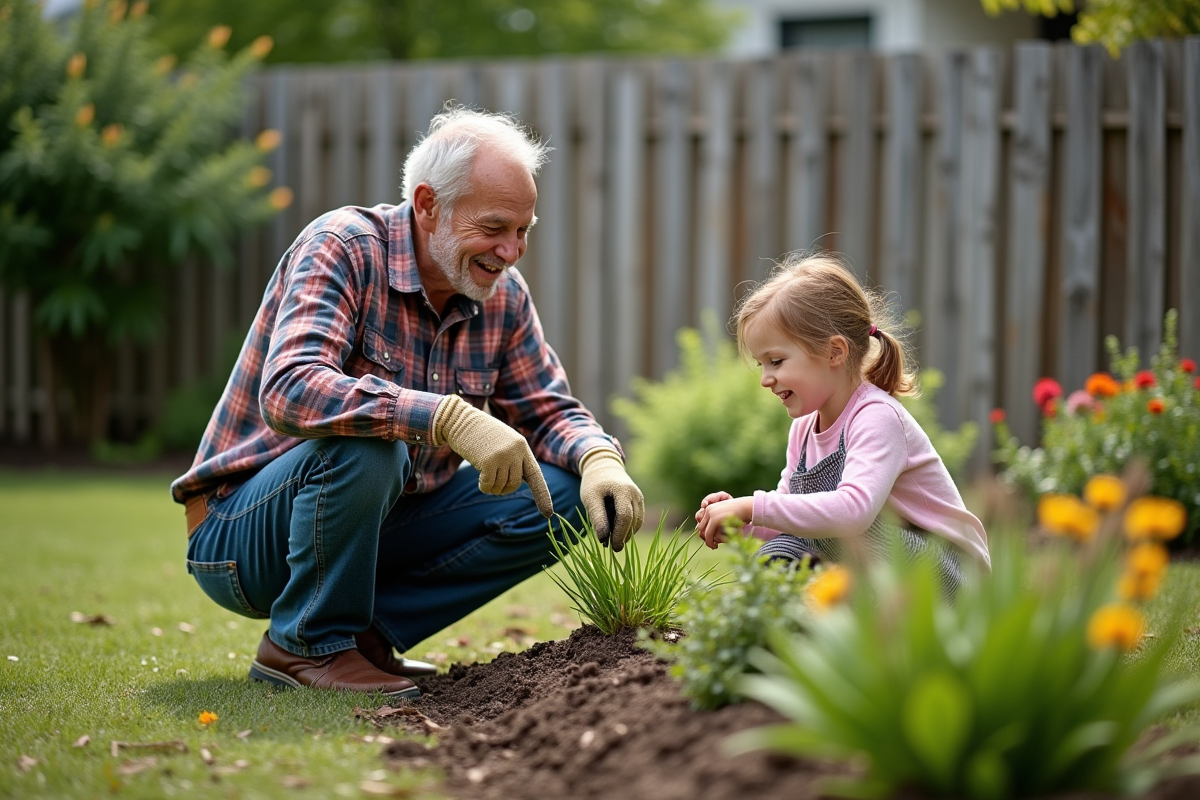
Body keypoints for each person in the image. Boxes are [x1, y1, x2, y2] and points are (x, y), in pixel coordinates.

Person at [171, 106, 644, 698]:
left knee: (567, 492)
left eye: (524, 229)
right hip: (240, 536)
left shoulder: (501, 296)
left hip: (379, 524)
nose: (512, 250)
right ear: (427, 205)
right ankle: (302, 647)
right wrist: (443, 416)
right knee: (370, 450)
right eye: (495, 226)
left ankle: (363, 637)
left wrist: (599, 456)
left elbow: (547, 408)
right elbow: (289, 387)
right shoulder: (342, 247)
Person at [693, 252, 988, 594]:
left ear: (834, 352)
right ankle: (783, 630)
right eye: (761, 365)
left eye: (775, 361)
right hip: (883, 569)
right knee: (780, 551)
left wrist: (753, 505)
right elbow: (793, 517)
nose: (765, 379)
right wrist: (742, 522)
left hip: (949, 577)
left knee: (838, 524)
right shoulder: (804, 429)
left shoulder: (877, 417)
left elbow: (852, 514)